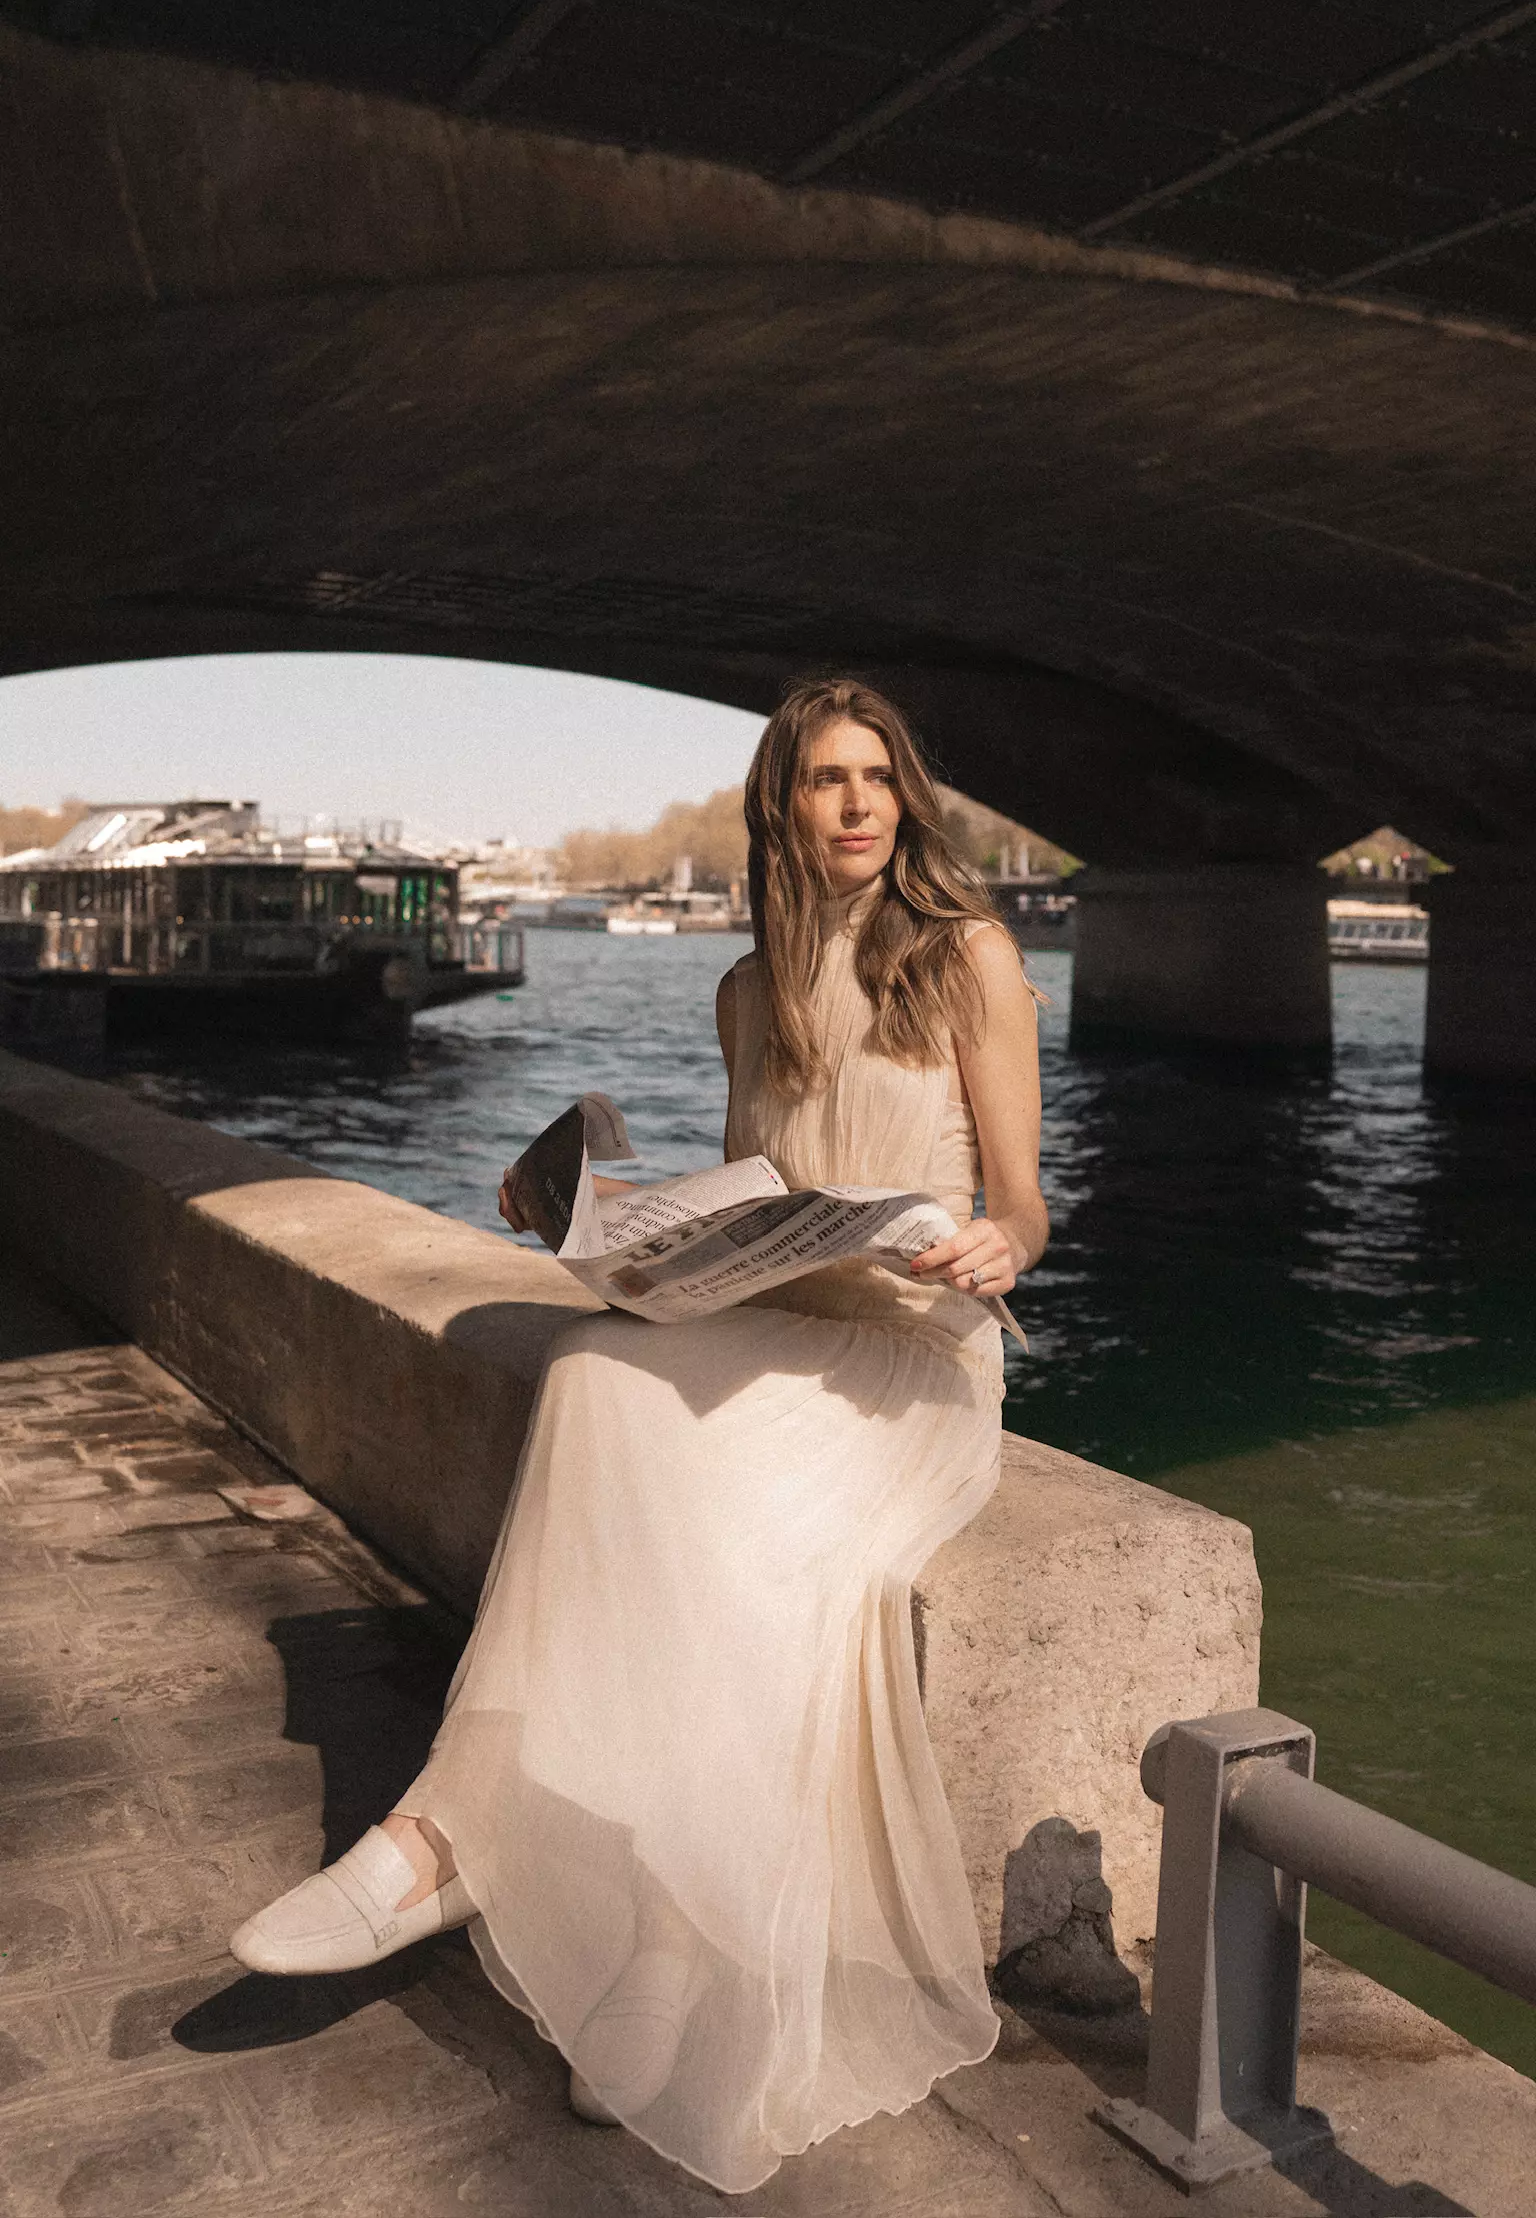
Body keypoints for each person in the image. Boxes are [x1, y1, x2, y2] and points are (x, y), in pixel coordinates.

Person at [229, 675, 1049, 2194]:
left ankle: (494, 1873)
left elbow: (1025, 1204)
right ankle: (476, 1850)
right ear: (782, 808)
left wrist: (995, 1245)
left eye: (878, 773)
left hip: (918, 1361)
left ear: (905, 795)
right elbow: (757, 1213)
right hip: (790, 1321)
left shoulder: (974, 959)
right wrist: (602, 1224)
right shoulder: (748, 994)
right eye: (826, 779)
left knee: (724, 1525)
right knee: (599, 1368)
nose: (858, 801)